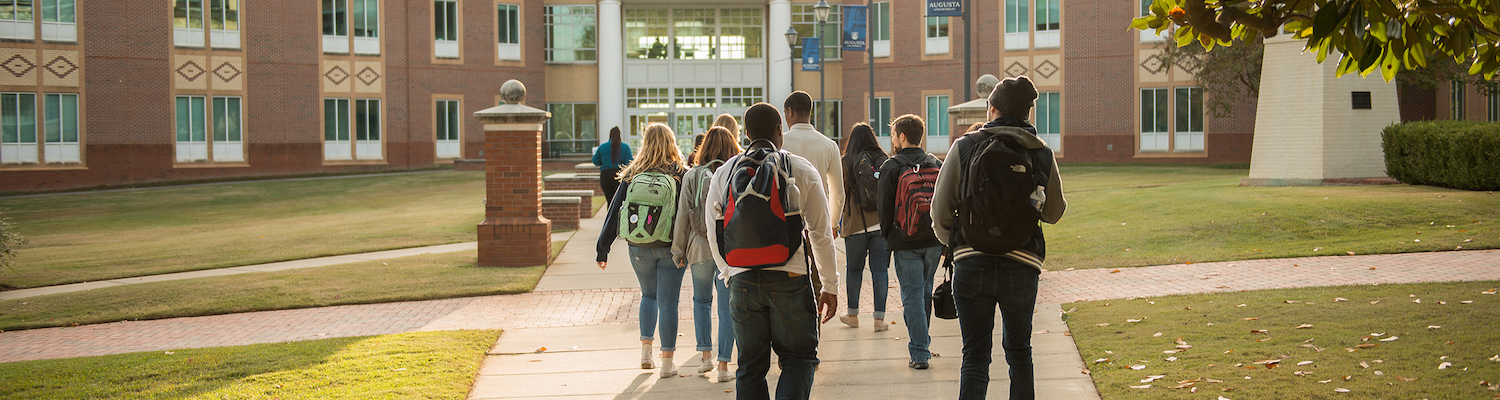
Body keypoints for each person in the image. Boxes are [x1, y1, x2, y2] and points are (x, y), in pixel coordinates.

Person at [931, 76, 1067, 400]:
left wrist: (959, 242)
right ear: (1028, 115)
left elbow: (939, 211)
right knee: (1019, 352)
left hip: (970, 262)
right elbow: (1054, 212)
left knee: (975, 356)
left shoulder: (964, 146)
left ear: (991, 108)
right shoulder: (1041, 152)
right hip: (1022, 264)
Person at [705, 102, 838, 400]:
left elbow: (713, 230)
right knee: (799, 358)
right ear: (781, 131)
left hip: (742, 279)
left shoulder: (725, 173)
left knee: (750, 366)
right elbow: (820, 232)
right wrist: (830, 284)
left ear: (747, 133)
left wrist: (728, 273)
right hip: (790, 276)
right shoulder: (800, 168)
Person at [596, 123, 688, 378]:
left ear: (645, 143)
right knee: (669, 302)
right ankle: (667, 364)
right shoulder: (681, 173)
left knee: (648, 296)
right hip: (670, 247)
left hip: (638, 246)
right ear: (672, 142)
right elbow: (686, 215)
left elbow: (615, 212)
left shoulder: (632, 173)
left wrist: (602, 249)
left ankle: (646, 353)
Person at [672, 126, 742, 383]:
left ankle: (705, 357)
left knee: (701, 302)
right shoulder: (736, 172)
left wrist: (678, 250)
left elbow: (683, 216)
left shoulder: (692, 175)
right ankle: (724, 365)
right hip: (728, 250)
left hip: (700, 247)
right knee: (727, 307)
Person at [877, 114, 944, 370]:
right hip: (934, 240)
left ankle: (919, 352)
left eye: (893, 135)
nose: (892, 139)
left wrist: (889, 238)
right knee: (924, 291)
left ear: (902, 137)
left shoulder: (892, 167)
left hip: (906, 241)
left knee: (913, 295)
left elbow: (884, 208)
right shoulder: (935, 163)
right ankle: (922, 343)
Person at [777, 91, 843, 296]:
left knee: (788, 288)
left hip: (784, 224)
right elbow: (838, 193)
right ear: (810, 112)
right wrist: (833, 224)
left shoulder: (780, 144)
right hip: (817, 223)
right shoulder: (829, 145)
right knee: (817, 286)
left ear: (789, 112)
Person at [835, 123, 890, 331]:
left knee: (854, 270)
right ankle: (879, 319)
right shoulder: (882, 159)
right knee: (879, 271)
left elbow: (839, 195)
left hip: (855, 225)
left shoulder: (846, 162)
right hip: (880, 224)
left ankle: (852, 314)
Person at [592, 127, 634, 204]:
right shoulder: (625, 147)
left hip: (606, 176)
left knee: (610, 201)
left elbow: (595, 161)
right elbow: (630, 163)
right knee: (620, 201)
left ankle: (610, 215)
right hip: (620, 175)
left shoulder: (602, 147)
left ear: (610, 135)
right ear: (619, 136)